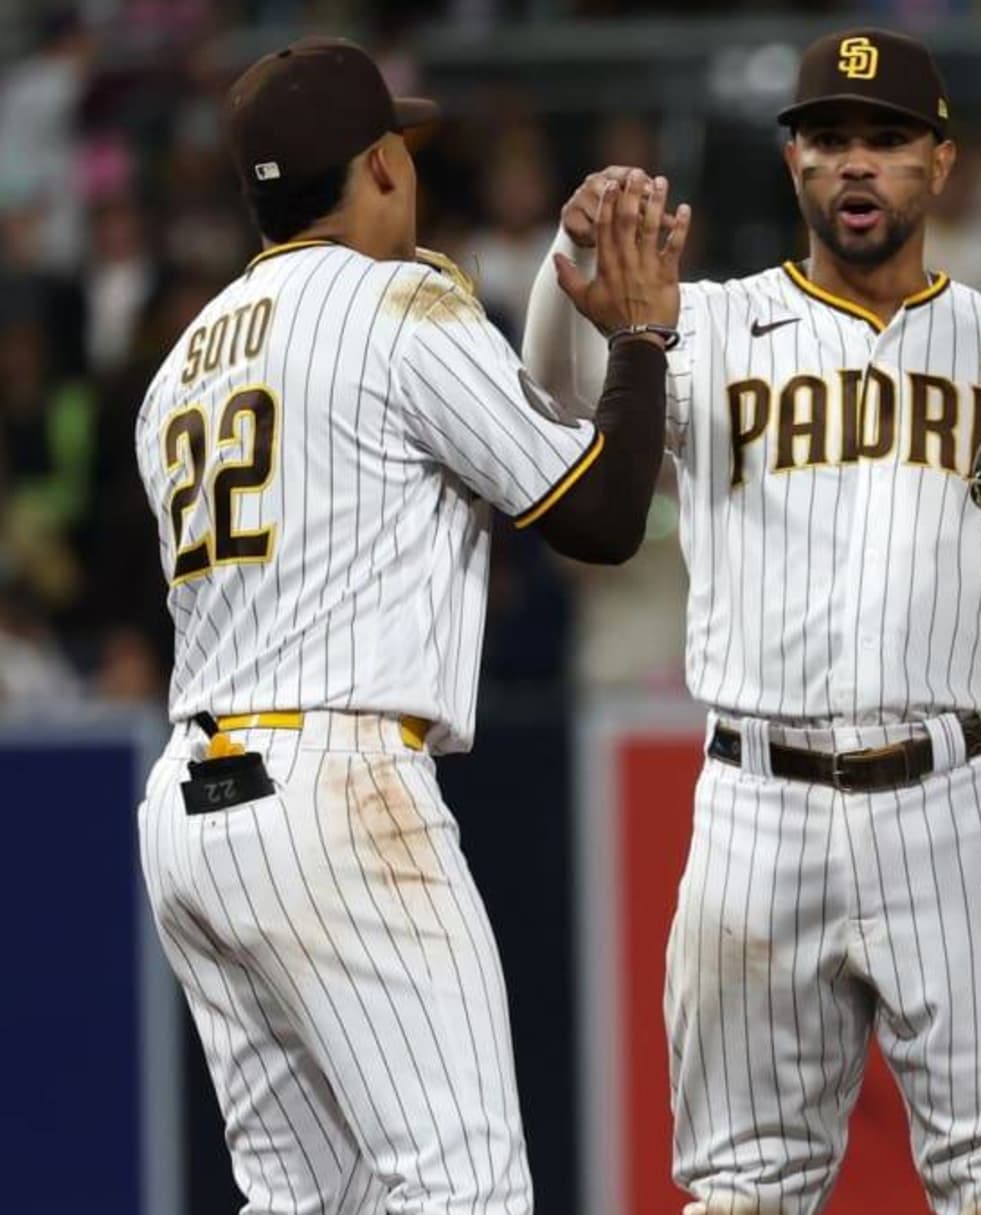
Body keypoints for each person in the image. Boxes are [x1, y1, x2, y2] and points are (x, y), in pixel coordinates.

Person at [521, 29, 981, 1214]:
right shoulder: (706, 325)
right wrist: (576, 254)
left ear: (941, 160)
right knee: (741, 1189)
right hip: (758, 804)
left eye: (885, 140)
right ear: (792, 164)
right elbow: (558, 395)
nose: (855, 164)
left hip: (963, 798)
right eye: (829, 140)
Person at [133, 37, 682, 1213]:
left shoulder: (177, 362)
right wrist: (641, 335)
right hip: (336, 786)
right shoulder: (398, 305)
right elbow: (599, 518)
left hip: (192, 800)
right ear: (379, 163)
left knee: (305, 1202)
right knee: (464, 1189)